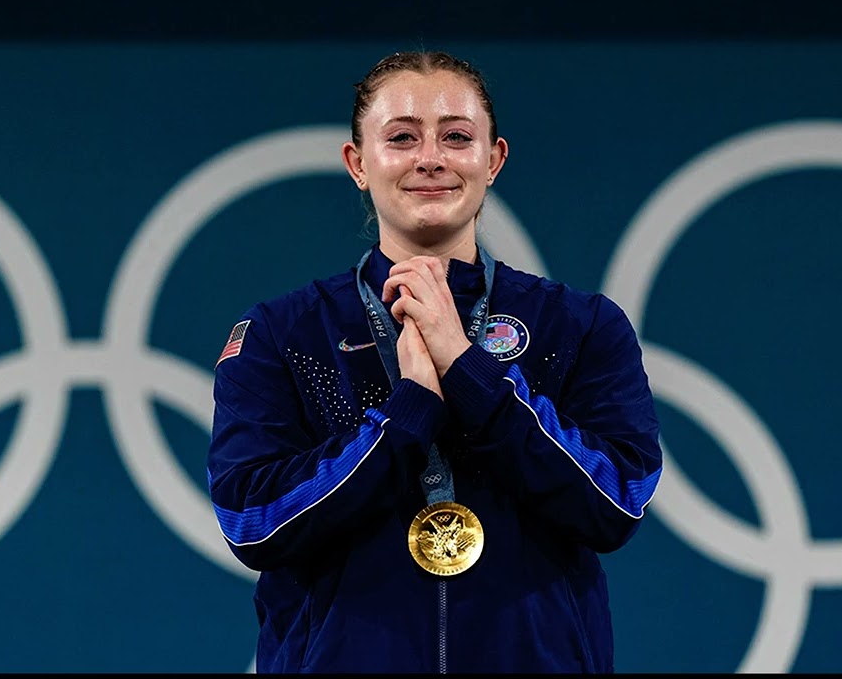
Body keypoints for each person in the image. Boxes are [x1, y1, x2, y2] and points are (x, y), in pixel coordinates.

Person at [205, 49, 663, 674]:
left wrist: (469, 371)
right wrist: (408, 414)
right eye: (401, 138)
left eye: (456, 137)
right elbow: (252, 521)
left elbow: (617, 504)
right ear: (358, 163)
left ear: (493, 160)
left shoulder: (581, 325)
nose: (430, 159)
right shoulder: (280, 335)